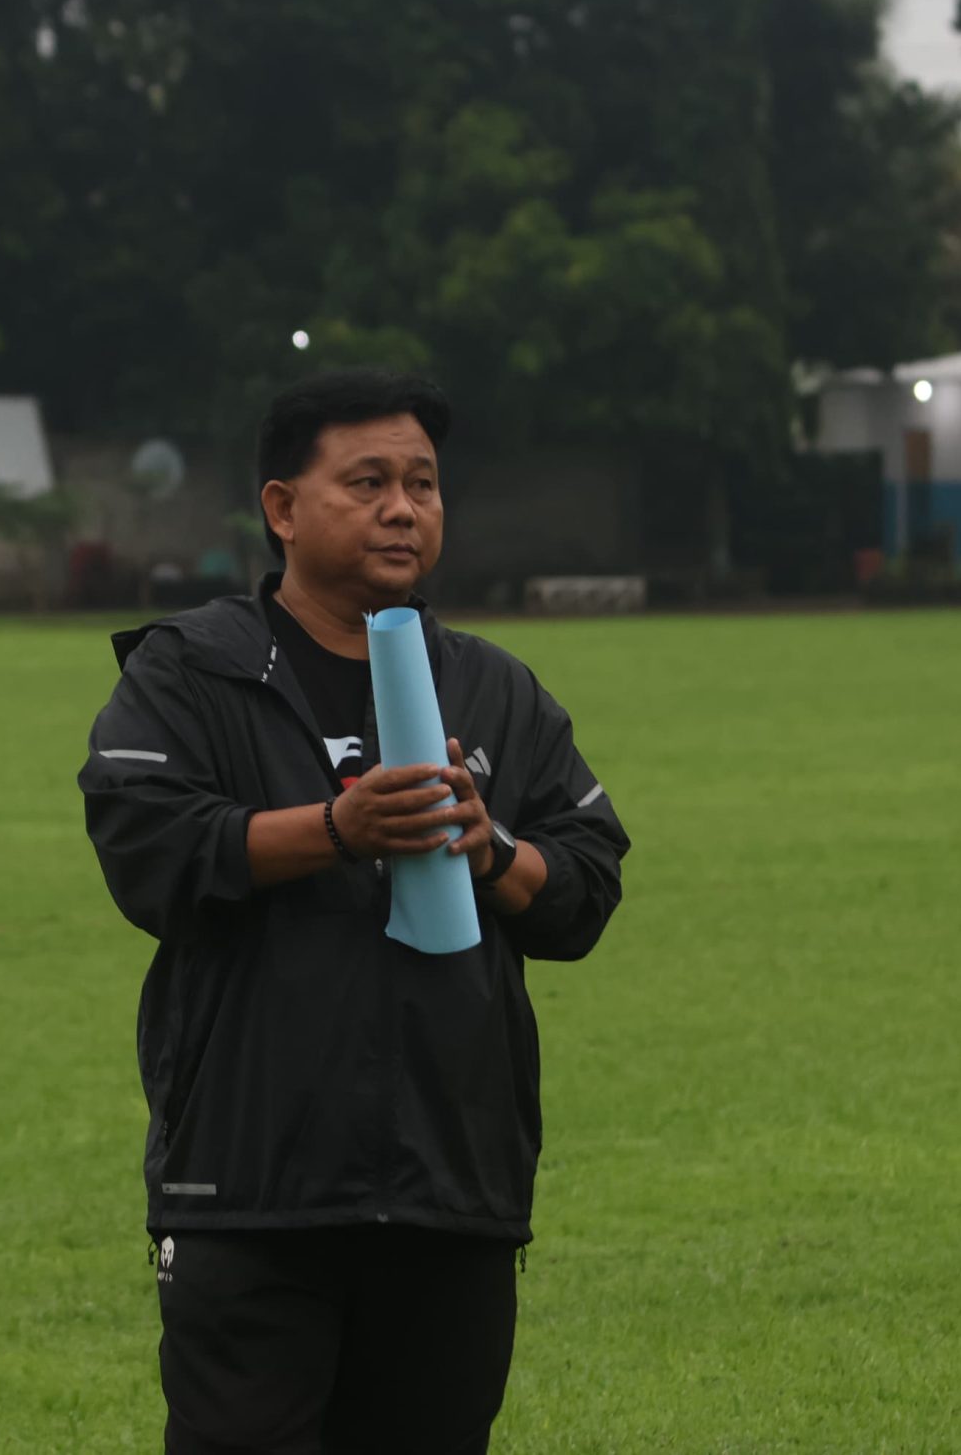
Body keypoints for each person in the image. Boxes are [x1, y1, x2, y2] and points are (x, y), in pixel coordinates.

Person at [79, 371, 631, 1455]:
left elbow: (586, 884)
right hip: (251, 1191)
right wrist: (338, 829)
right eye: (368, 482)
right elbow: (145, 847)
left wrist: (495, 851)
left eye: (422, 484)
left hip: (449, 1192)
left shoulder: (494, 691)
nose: (402, 509)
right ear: (282, 509)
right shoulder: (192, 670)